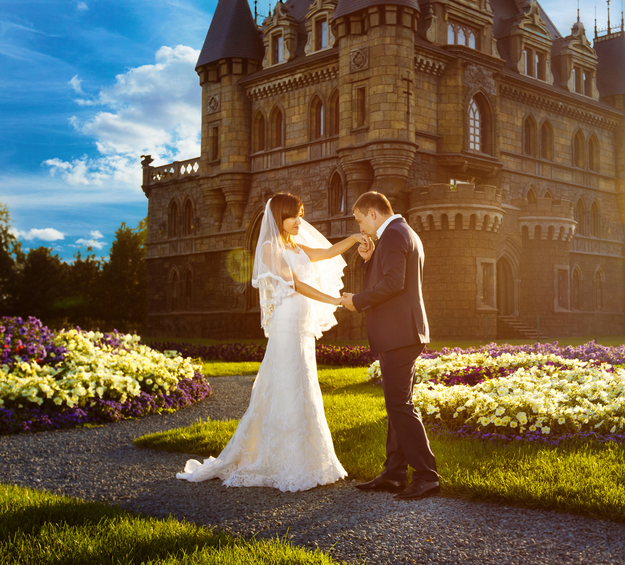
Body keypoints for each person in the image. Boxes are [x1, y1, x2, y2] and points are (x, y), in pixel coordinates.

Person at [177, 193, 367, 492]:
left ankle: (308, 459)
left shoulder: (294, 246)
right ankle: (280, 460)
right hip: (287, 324)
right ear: (279, 217)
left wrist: (354, 238)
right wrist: (334, 300)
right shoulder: (268, 248)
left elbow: (327, 253)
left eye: (301, 214)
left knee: (303, 383)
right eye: (293, 216)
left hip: (301, 325)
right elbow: (297, 284)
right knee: (287, 383)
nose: (299, 221)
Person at [339, 191, 440, 501]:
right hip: (402, 333)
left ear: (372, 212)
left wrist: (357, 301)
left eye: (359, 220)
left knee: (400, 406)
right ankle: (394, 473)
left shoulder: (394, 234)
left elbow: (395, 282)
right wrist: (370, 259)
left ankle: (426, 475)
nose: (361, 227)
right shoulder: (401, 233)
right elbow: (391, 277)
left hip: (400, 334)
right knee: (397, 405)